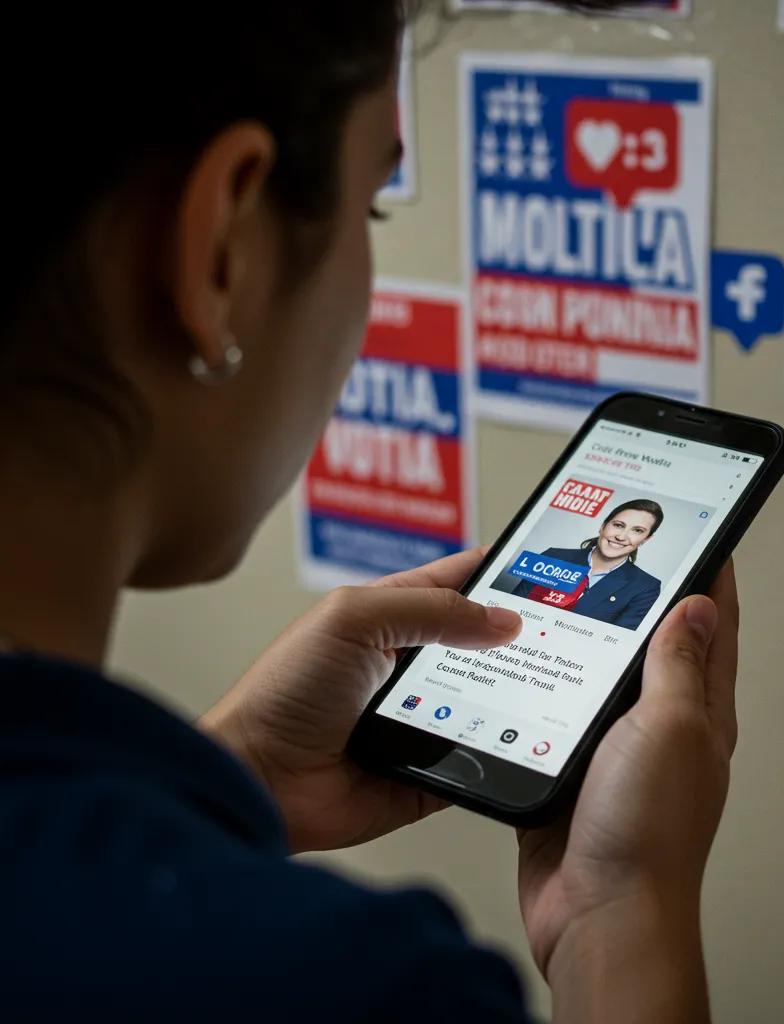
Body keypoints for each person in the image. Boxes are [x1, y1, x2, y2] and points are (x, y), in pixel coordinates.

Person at [0, 4, 740, 1021]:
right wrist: (621, 912)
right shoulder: (351, 986)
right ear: (221, 250)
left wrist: (237, 773)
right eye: (372, 208)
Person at [510, 500, 664, 628]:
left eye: (637, 530)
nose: (621, 536)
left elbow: (617, 642)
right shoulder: (553, 556)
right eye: (618, 525)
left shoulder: (647, 587)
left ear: (645, 539)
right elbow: (512, 609)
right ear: (603, 526)